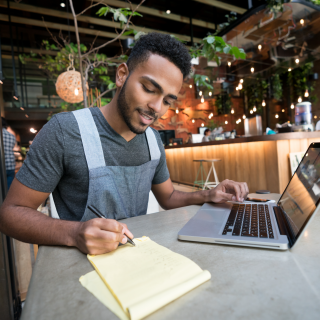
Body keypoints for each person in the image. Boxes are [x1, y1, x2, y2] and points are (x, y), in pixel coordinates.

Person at [0, 33, 248, 255]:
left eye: (167, 101)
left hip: (136, 259)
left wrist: (208, 194)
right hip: (78, 274)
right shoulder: (65, 131)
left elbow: (168, 197)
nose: (157, 107)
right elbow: (11, 214)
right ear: (122, 75)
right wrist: (75, 233)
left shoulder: (152, 140)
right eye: (149, 88)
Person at [1, 117, 16, 190]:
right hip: (10, 165)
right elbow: (12, 147)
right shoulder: (11, 136)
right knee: (8, 189)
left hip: (2, 166)